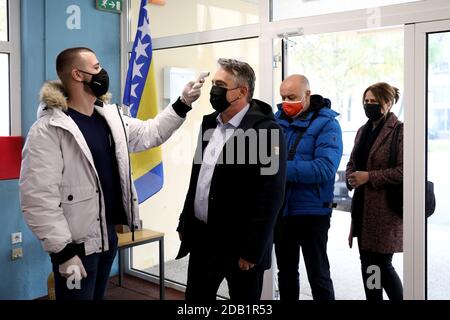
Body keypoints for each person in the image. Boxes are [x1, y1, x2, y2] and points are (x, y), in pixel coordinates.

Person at [19, 47, 204, 300]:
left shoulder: (110, 117)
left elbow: (150, 133)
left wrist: (182, 104)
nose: (102, 72)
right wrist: (63, 253)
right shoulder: (49, 130)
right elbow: (38, 198)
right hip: (76, 249)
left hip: (107, 239)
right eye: (95, 67)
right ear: (77, 74)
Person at [176, 58, 287, 301]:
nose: (214, 90)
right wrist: (185, 221)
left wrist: (252, 250)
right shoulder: (209, 123)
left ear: (243, 91)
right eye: (214, 83)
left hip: (241, 247)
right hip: (203, 240)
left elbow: (271, 195)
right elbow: (198, 179)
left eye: (220, 84)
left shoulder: (267, 131)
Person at [274, 74, 343, 301]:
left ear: (307, 95)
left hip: (312, 213)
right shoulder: (276, 121)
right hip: (282, 211)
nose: (286, 102)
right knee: (286, 274)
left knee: (318, 275)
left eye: (292, 97)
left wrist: (280, 168)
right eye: (283, 97)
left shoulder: (328, 124)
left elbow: (324, 168)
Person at [346, 82, 403, 300]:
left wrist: (369, 176)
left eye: (374, 102)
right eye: (366, 101)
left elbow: (404, 170)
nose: (368, 105)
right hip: (362, 208)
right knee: (368, 263)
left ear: (388, 103)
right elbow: (353, 162)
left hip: (385, 211)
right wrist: (352, 176)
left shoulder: (399, 130)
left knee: (382, 264)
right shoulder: (363, 130)